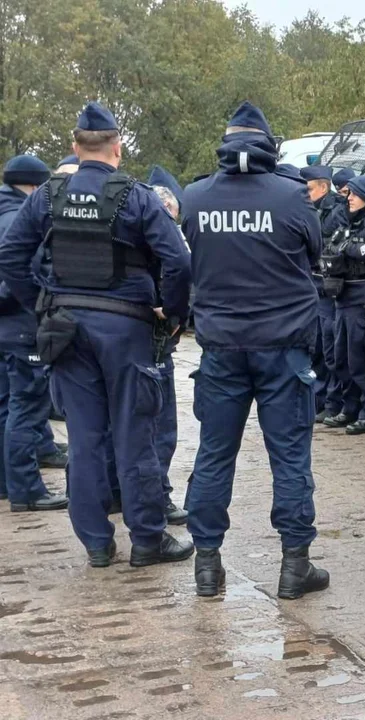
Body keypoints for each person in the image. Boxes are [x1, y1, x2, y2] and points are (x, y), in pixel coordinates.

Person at [0, 102, 192, 567]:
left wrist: (42, 304)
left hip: (66, 331)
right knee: (134, 435)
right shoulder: (137, 196)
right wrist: (174, 314)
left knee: (84, 439)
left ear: (74, 146)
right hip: (126, 329)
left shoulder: (48, 194)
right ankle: (147, 540)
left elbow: (10, 255)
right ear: (117, 148)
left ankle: (96, 544)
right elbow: (179, 260)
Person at [181, 101, 328, 599]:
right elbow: (313, 252)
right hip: (283, 348)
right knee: (289, 457)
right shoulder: (293, 197)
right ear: (269, 145)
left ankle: (206, 565)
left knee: (214, 455)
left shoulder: (196, 196)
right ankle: (294, 566)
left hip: (221, 349)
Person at [0, 155, 69, 511]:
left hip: (4, 329)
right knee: (26, 409)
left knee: (6, 407)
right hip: (21, 326)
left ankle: (7, 483)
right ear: (31, 185)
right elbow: (17, 271)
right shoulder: (17, 220)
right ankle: (27, 491)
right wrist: (36, 302)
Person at [323, 175, 365, 435]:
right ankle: (350, 408)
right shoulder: (348, 224)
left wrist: (350, 247)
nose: (348, 199)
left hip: (364, 300)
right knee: (342, 361)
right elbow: (331, 248)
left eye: (354, 194)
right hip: (343, 299)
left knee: (363, 362)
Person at [145, 164, 189, 525]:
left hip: (119, 339)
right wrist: (175, 315)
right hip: (155, 339)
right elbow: (181, 270)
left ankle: (120, 494)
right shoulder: (167, 233)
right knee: (160, 427)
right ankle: (158, 498)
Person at [301, 165, 342, 424]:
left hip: (328, 289)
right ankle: (319, 401)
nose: (305, 195)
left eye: (309, 190)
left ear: (323, 187)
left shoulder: (334, 211)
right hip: (314, 286)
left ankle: (331, 401)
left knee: (329, 350)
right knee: (316, 349)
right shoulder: (313, 210)